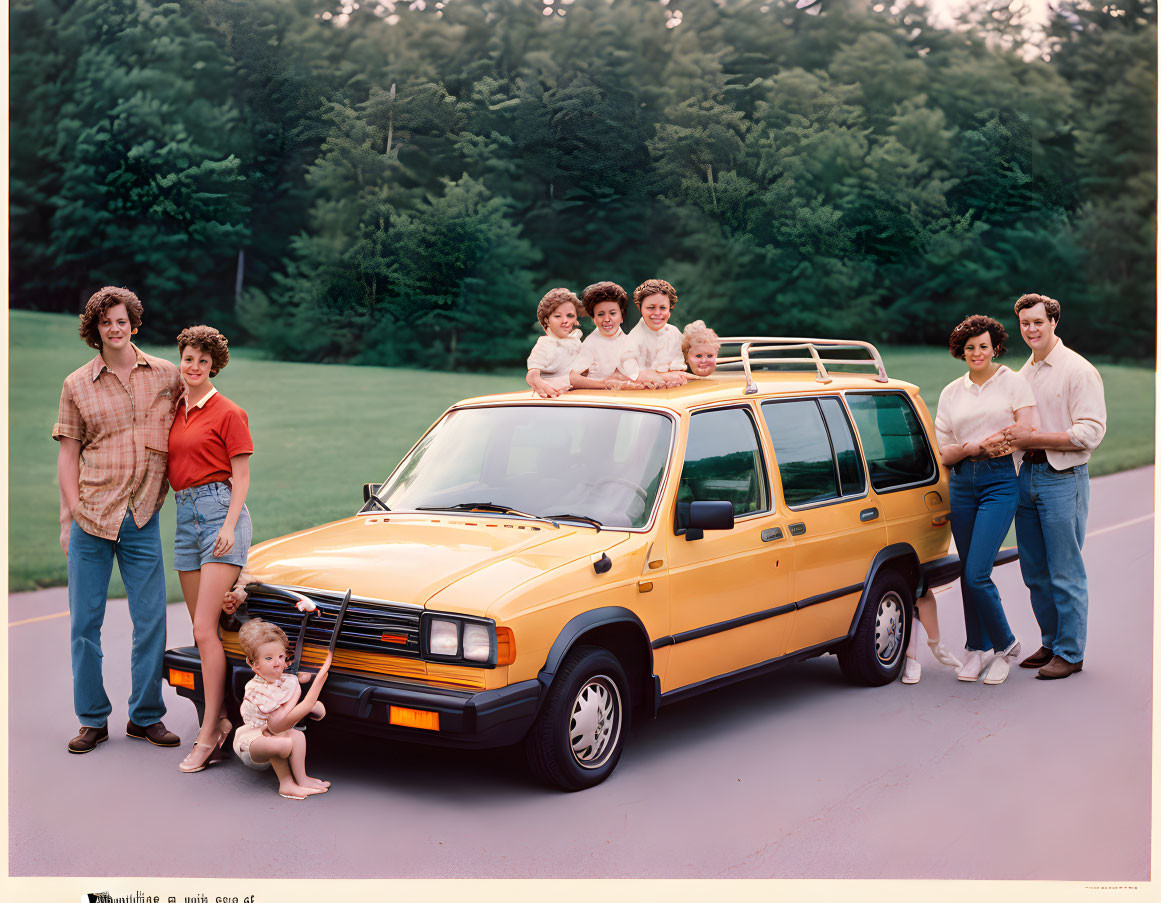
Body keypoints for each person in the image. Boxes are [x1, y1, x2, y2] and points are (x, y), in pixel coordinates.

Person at [53, 286, 183, 754]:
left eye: (122, 320)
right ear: (95, 329)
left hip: (142, 515)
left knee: (151, 621)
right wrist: (69, 517)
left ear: (134, 323)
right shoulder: (76, 385)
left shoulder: (167, 376)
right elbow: (68, 457)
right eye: (106, 321)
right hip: (91, 517)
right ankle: (91, 719)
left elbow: (201, 408)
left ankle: (145, 716)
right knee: (85, 624)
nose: (115, 328)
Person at [1002, 294, 1106, 680]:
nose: (1030, 330)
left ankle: (1070, 653)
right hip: (1025, 477)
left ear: (1053, 323)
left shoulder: (1078, 370)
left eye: (1038, 323)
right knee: (1035, 572)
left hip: (1063, 478)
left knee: (1065, 571)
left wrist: (1033, 439)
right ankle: (1051, 643)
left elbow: (1090, 432)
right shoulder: (1022, 375)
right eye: (1025, 323)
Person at [168, 325, 255, 772]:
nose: (194, 367)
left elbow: (241, 478)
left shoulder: (228, 412)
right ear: (179, 360)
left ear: (214, 365)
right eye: (188, 358)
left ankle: (208, 729)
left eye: (203, 361)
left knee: (204, 630)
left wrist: (226, 525)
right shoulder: (175, 409)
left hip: (221, 514)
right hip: (185, 518)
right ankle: (221, 718)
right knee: (205, 632)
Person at [934, 314, 1036, 685]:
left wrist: (993, 444)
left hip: (999, 481)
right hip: (962, 483)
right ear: (961, 351)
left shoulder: (1013, 382)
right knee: (968, 572)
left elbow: (1025, 429)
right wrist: (970, 447)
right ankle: (976, 649)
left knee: (977, 572)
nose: (977, 352)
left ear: (995, 347)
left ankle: (1006, 644)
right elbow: (944, 453)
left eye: (983, 346)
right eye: (970, 347)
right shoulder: (951, 393)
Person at [233, 619, 332, 800]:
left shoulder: (285, 680)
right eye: (269, 658)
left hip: (272, 734)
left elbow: (293, 681)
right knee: (282, 739)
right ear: (255, 665)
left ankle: (302, 779)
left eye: (281, 656)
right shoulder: (256, 689)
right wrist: (318, 683)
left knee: (297, 736)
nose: (278, 663)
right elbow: (278, 725)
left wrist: (301, 679)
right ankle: (286, 784)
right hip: (252, 743)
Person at [570, 282, 654, 389]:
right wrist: (605, 384)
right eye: (601, 314)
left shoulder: (628, 340)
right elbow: (572, 378)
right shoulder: (591, 343)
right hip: (602, 401)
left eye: (612, 313)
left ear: (621, 317)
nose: (607, 319)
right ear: (594, 319)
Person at [628, 279, 687, 387]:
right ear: (639, 307)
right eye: (651, 307)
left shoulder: (674, 332)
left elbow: (692, 358)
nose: (657, 313)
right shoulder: (633, 340)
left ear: (671, 308)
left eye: (663, 308)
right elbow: (630, 375)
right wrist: (664, 377)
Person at [526, 288, 584, 398]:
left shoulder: (576, 343)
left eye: (570, 316)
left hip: (578, 398)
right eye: (558, 316)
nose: (565, 321)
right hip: (552, 399)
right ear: (547, 320)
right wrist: (536, 380)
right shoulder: (546, 344)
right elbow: (532, 374)